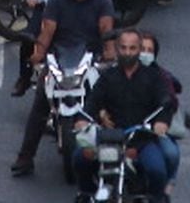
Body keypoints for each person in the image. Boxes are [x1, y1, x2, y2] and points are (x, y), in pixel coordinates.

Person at [12, 0, 116, 176]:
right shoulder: (57, 0)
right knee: (40, 104)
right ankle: (25, 157)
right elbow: (48, 30)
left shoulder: (102, 1)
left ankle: (113, 153)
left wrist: (109, 53)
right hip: (60, 57)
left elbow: (106, 28)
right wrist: (38, 54)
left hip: (90, 57)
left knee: (108, 102)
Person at [75, 28, 179, 196]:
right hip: (110, 138)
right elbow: (93, 102)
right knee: (80, 158)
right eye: (123, 48)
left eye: (132, 48)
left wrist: (161, 122)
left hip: (142, 139)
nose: (127, 52)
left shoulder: (153, 77)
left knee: (157, 171)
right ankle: (87, 194)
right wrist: (83, 119)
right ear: (117, 48)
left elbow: (165, 104)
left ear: (138, 49)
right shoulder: (108, 77)